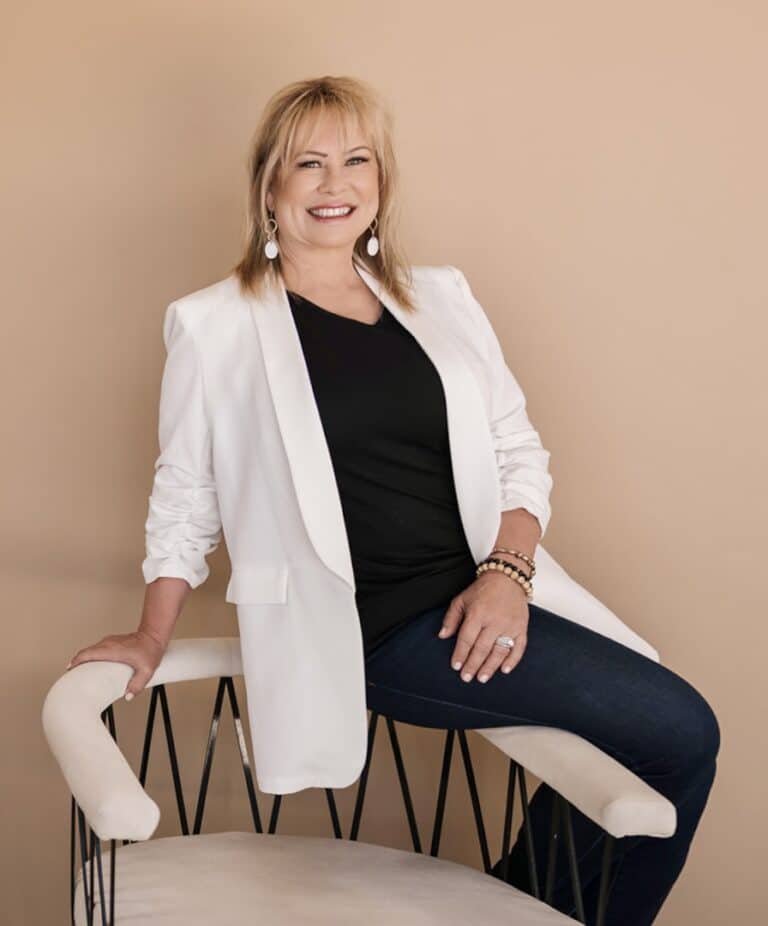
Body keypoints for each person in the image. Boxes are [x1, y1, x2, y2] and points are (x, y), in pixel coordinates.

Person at [66, 76, 720, 925]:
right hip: (370, 630)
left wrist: (507, 574)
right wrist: (151, 632)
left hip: (481, 595)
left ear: (381, 181)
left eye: (356, 160)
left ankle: (531, 902)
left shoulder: (440, 297)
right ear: (270, 188)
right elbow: (186, 494)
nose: (335, 185)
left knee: (672, 735)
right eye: (309, 163)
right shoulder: (215, 324)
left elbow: (518, 448)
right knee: (682, 732)